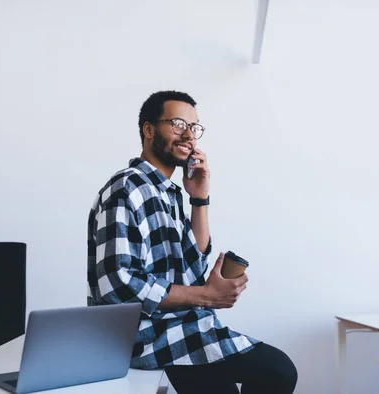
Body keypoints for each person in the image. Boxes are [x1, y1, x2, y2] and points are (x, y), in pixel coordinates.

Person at [87, 91, 298, 394]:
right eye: (177, 124)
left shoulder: (167, 193)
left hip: (183, 325)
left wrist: (199, 198)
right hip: (148, 336)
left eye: (194, 127)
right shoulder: (126, 188)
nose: (189, 135)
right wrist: (206, 296)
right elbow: (118, 285)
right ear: (148, 130)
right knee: (278, 371)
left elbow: (192, 264)